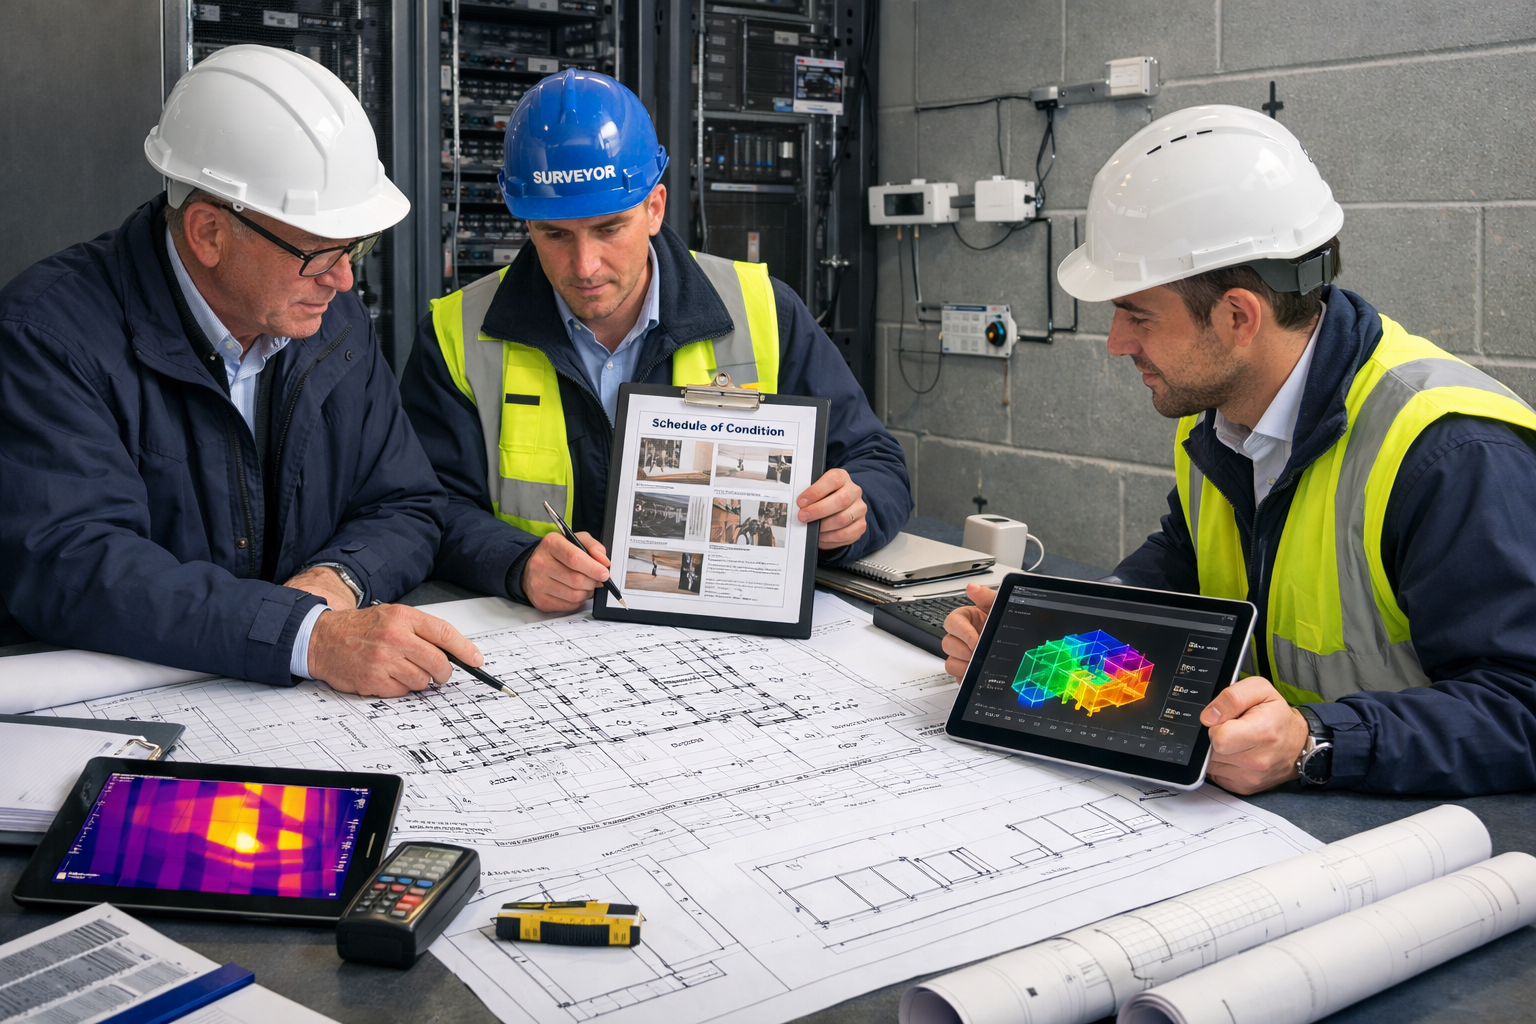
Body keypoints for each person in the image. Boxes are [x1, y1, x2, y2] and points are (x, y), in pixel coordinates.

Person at [941, 105, 1536, 798]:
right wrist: (1047, 638)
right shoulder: (1224, 422)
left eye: (1137, 313)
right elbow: (1183, 562)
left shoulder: (1449, 453)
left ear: (1237, 316)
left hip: (1429, 853)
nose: (1116, 343)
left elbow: (1521, 704)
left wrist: (1314, 743)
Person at [0, 45, 485, 698]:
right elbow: (75, 563)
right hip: (121, 702)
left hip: (283, 698)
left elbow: (405, 502)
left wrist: (335, 580)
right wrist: (304, 635)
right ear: (207, 232)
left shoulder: (330, 323)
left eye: (356, 249)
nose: (344, 280)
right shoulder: (48, 336)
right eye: (319, 253)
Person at [400, 70, 911, 612]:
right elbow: (426, 504)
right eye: (555, 234)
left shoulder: (764, 309)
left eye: (609, 228)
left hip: (724, 629)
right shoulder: (457, 332)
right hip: (538, 632)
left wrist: (852, 514)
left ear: (655, 207)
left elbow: (876, 461)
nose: (585, 265)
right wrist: (517, 561)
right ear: (525, 222)